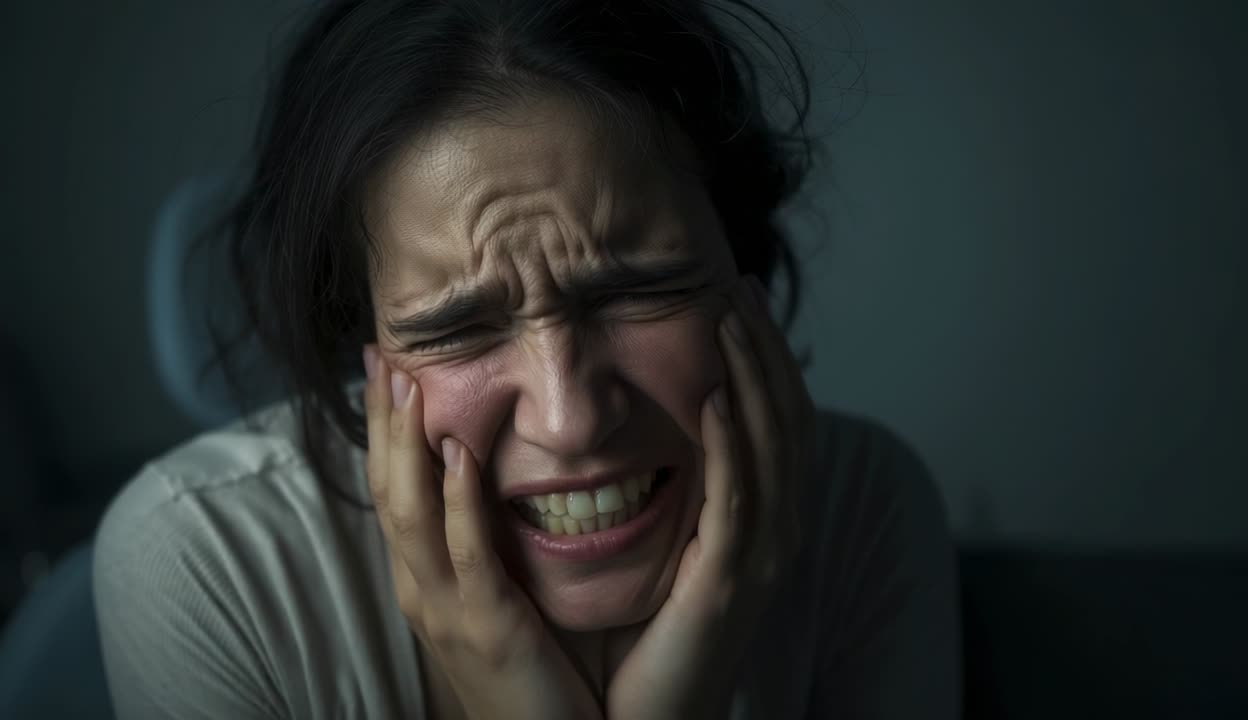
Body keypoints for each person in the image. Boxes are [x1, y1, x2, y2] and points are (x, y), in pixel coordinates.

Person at [93, 0, 960, 717]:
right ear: (367, 359)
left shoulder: (861, 512)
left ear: (744, 278)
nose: (569, 415)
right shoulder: (204, 568)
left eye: (637, 290)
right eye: (456, 328)